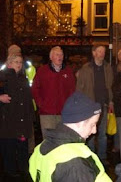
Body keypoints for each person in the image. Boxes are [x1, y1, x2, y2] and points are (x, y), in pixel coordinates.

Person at [29, 91, 112, 182]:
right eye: (92, 125)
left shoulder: (42, 147)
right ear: (79, 123)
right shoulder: (74, 164)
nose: (94, 131)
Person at [0, 45, 35, 179]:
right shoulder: (2, 77)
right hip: (7, 117)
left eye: (20, 62)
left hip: (22, 118)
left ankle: (23, 168)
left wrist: (30, 115)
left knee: (22, 146)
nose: (19, 65)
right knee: (9, 145)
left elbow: (27, 98)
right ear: (9, 63)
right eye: (16, 62)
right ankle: (9, 170)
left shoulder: (23, 78)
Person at [76, 45, 114, 166]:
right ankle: (91, 157)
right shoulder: (86, 68)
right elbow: (79, 87)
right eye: (99, 51)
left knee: (102, 134)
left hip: (103, 105)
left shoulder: (108, 68)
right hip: (89, 106)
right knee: (90, 134)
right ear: (93, 53)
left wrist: (111, 101)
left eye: (103, 51)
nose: (102, 54)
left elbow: (110, 86)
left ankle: (102, 157)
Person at [32, 46, 76, 138]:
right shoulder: (42, 71)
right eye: (57, 54)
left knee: (63, 141)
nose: (60, 57)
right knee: (49, 141)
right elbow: (35, 89)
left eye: (61, 54)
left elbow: (72, 91)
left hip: (64, 114)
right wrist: (41, 104)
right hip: (47, 114)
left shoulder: (68, 71)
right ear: (51, 57)